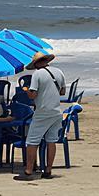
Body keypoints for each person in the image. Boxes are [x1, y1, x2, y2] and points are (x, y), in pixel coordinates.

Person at [14, 52, 66, 181]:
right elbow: (63, 92)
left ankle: (29, 171)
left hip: (42, 111)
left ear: (36, 64)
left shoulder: (37, 74)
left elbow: (33, 96)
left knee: (32, 141)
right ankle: (48, 170)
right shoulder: (58, 72)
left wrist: (27, 91)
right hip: (56, 111)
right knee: (51, 140)